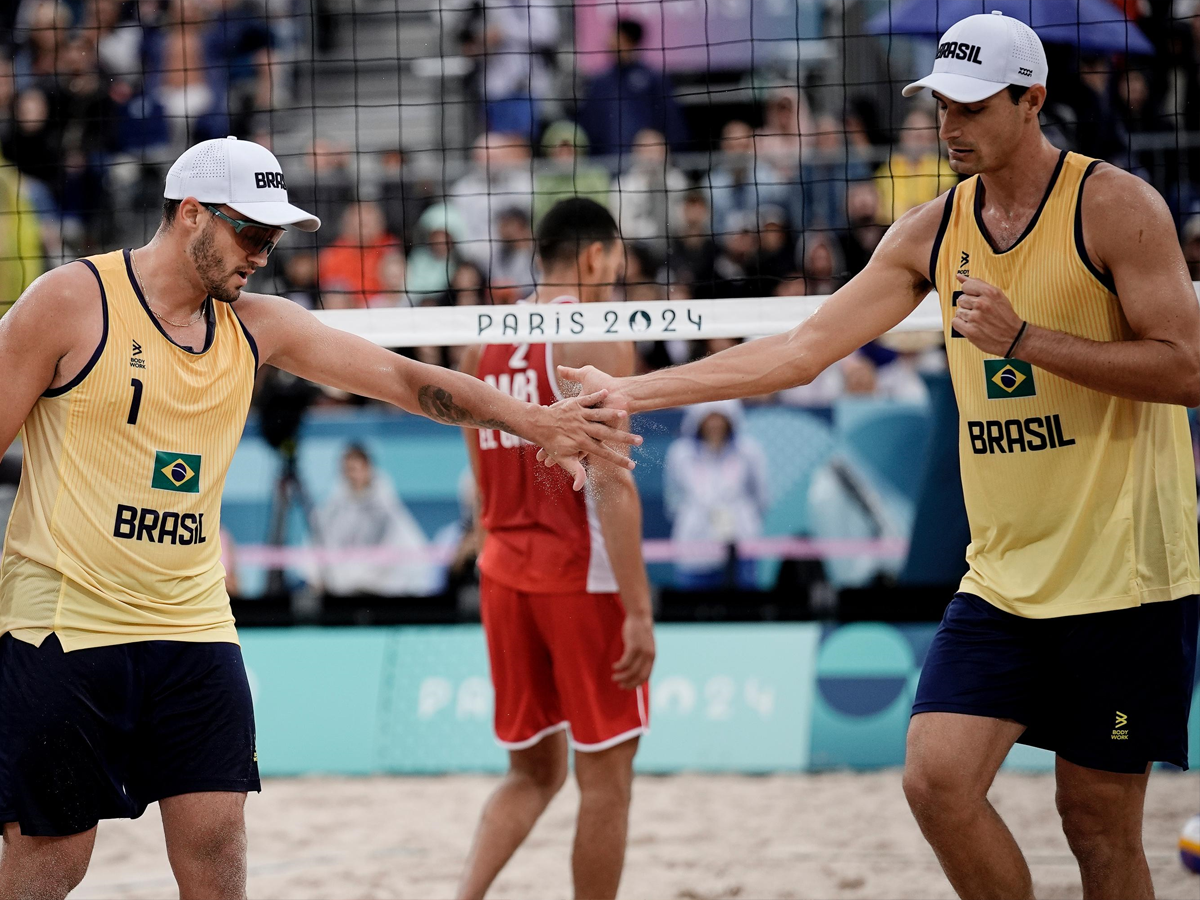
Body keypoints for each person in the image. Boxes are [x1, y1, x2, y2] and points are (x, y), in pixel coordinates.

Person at [543, 13, 1200, 900]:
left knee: (1097, 827)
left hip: (1126, 576)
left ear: (1030, 100)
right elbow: (800, 349)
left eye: (969, 105)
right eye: (938, 103)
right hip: (1005, 578)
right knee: (936, 782)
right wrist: (629, 395)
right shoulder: (930, 230)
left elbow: (1188, 369)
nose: (947, 123)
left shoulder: (1117, 207)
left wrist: (1025, 340)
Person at [0, 136, 638, 899]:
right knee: (54, 861)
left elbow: (404, 380)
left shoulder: (256, 324)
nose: (265, 252)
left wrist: (537, 422)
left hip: (193, 625)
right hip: (65, 626)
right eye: (252, 233)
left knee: (215, 849)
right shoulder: (70, 301)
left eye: (274, 237)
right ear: (192, 215)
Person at [456, 198, 654, 900]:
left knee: (532, 772)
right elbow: (613, 489)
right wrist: (638, 608)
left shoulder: (482, 337)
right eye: (619, 263)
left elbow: (478, 481)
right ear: (596, 256)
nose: (618, 279)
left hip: (503, 575)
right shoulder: (593, 333)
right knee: (607, 780)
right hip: (581, 579)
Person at [663, 401, 769, 590]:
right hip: (694, 542)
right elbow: (673, 497)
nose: (715, 424)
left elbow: (761, 495)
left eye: (720, 417)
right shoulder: (680, 453)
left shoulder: (749, 451)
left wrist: (743, 517)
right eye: (709, 417)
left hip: (740, 539)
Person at [575, 17, 688, 160]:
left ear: (627, 40)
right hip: (605, 163)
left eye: (615, 36)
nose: (609, 41)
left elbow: (672, 123)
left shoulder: (653, 78)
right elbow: (588, 125)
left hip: (645, 165)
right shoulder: (600, 82)